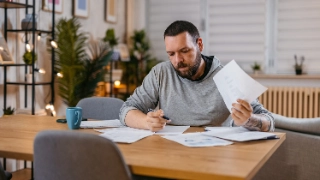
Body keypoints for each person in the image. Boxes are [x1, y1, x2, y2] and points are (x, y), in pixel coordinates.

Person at [119, 20, 274, 132]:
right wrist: (146, 121)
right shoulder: (161, 73)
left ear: (199, 45)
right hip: (171, 152)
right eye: (171, 54)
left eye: (184, 51)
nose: (177, 60)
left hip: (216, 155)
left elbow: (268, 121)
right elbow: (126, 109)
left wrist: (249, 119)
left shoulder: (227, 76)